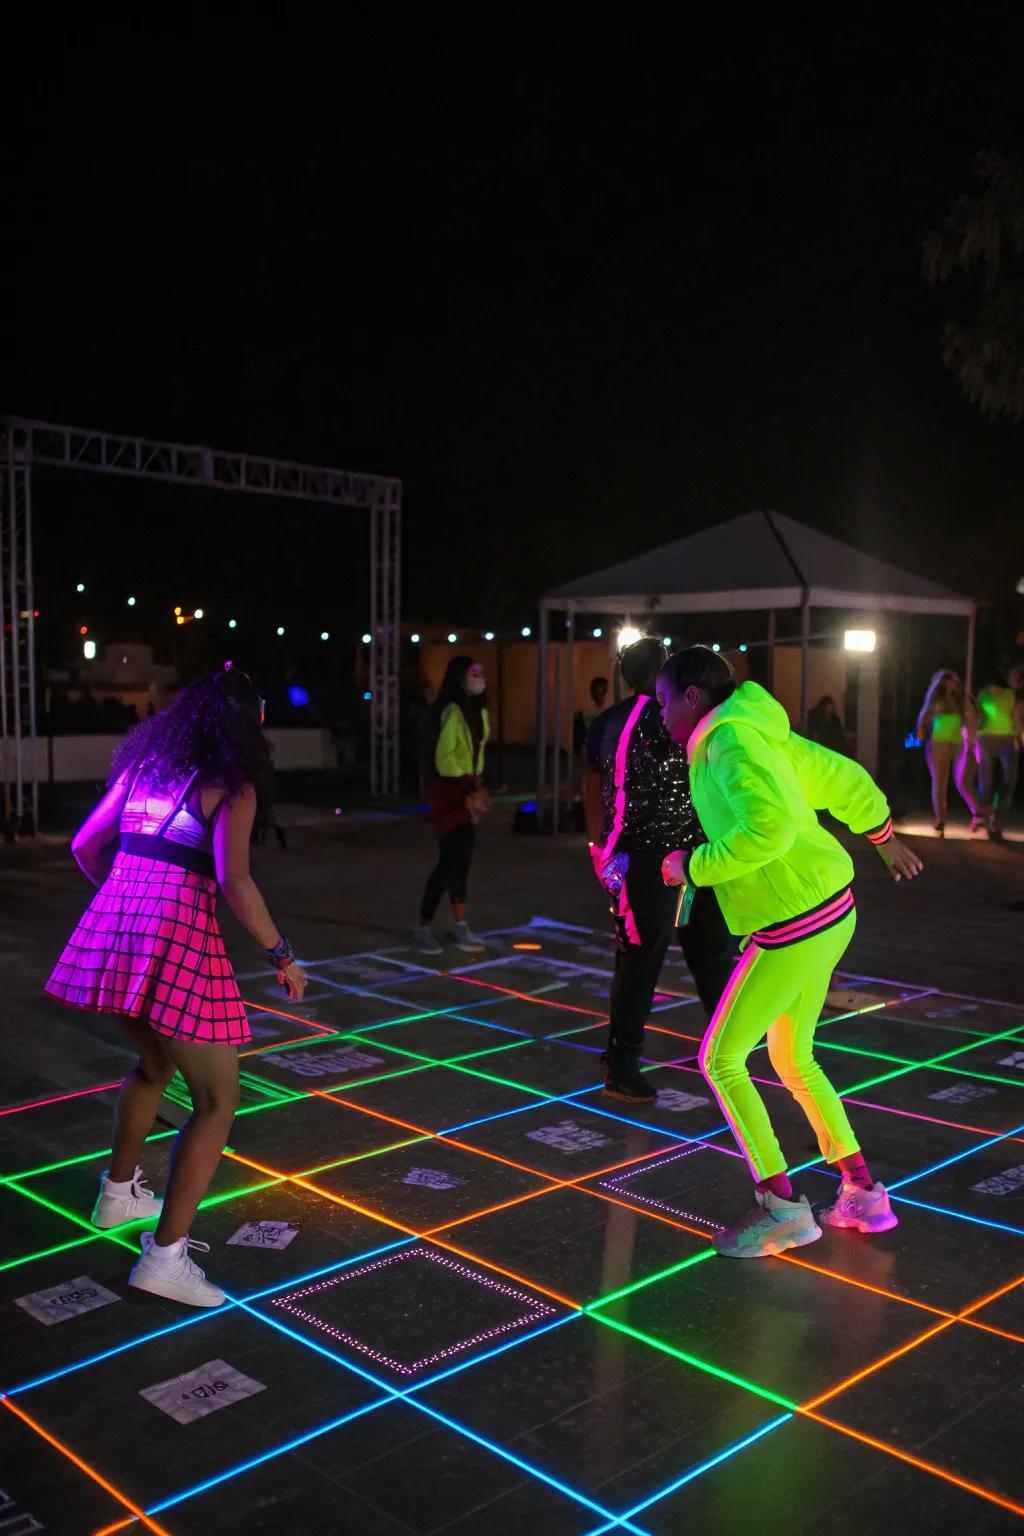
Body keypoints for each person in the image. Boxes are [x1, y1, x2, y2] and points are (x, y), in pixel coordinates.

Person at [45, 664, 308, 1307]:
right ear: (250, 724)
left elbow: (85, 845)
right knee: (218, 1099)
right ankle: (165, 1258)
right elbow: (235, 881)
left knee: (154, 1062)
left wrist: (126, 897)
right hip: (175, 938)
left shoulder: (143, 770)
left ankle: (117, 1194)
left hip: (113, 928)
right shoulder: (232, 786)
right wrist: (282, 953)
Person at [657, 645, 923, 1259]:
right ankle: (861, 1191)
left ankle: (780, 1208)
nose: (660, 712)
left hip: (795, 920)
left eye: (664, 700)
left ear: (693, 697)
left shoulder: (729, 743)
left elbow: (767, 830)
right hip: (832, 907)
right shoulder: (757, 729)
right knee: (792, 1054)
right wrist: (880, 835)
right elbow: (841, 777)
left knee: (720, 1059)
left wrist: (692, 867)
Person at [584, 638, 739, 1103]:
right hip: (680, 859)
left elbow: (590, 786)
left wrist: (598, 847)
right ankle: (716, 1057)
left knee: (644, 959)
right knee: (708, 958)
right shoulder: (666, 713)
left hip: (652, 859)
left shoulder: (608, 721)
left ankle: (629, 1062)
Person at [413, 655, 490, 955]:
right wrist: (468, 791)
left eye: (480, 672)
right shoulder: (451, 711)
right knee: (449, 861)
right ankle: (423, 926)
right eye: (474, 672)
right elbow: (445, 762)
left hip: (464, 788)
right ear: (460, 676)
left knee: (462, 860)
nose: (479, 677)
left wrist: (477, 786)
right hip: (448, 792)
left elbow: (475, 754)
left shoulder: (476, 711)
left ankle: (460, 925)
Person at [914, 669, 980, 834]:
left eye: (952, 681)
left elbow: (971, 718)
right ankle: (940, 818)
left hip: (958, 742)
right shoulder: (936, 699)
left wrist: (971, 743)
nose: (950, 684)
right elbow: (924, 719)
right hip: (938, 742)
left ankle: (978, 813)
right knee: (939, 780)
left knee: (962, 780)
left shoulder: (962, 700)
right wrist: (920, 735)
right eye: (946, 681)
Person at [976, 667, 1021, 840]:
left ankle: (996, 817)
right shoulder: (985, 693)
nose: (1018, 681)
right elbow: (979, 715)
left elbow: (1016, 719)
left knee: (1010, 780)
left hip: (1008, 739)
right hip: (986, 738)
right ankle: (988, 821)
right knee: (985, 781)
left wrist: (1020, 737)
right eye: (1015, 677)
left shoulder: (1013, 695)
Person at [573, 676, 610, 752]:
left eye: (603, 691)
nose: (602, 694)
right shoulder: (589, 712)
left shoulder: (585, 712)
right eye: (601, 691)